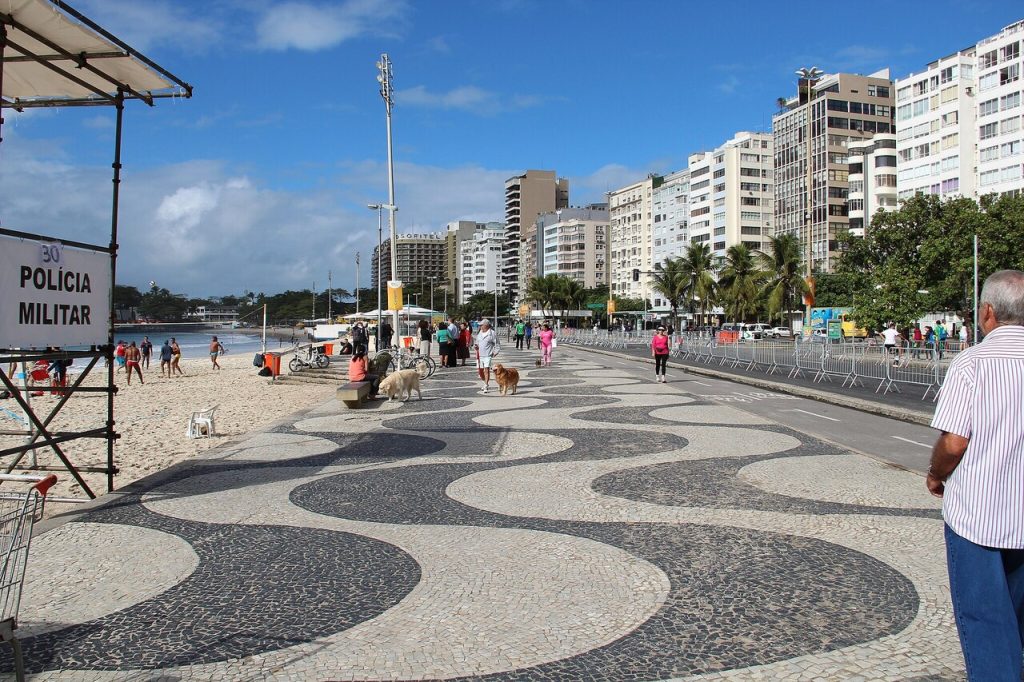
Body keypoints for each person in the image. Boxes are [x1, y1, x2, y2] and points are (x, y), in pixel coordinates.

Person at [927, 269, 1024, 681]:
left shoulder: (974, 363)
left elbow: (954, 443)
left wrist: (935, 475)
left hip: (978, 519)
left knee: (986, 626)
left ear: (987, 313)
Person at [474, 319, 499, 393]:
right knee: (481, 371)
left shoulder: (492, 333)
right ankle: (484, 382)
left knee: (486, 369)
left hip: (488, 354)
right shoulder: (480, 333)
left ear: (486, 325)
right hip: (480, 354)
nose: (480, 326)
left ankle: (486, 384)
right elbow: (477, 342)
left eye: (481, 325)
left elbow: (497, 343)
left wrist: (496, 351)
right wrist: (476, 346)